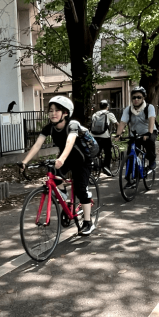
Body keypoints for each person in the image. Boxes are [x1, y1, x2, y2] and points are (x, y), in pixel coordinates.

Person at [20, 96, 95, 235]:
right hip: (65, 158)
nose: (53, 113)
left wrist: (61, 158)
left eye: (57, 110)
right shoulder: (49, 127)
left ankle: (88, 222)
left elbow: (70, 141)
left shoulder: (72, 125)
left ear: (65, 112)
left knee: (80, 189)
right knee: (53, 177)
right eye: (51, 110)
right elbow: (37, 145)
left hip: (82, 160)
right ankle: (65, 199)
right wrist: (25, 162)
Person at [115, 86, 157, 173]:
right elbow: (122, 123)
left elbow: (151, 120)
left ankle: (152, 161)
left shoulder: (149, 107)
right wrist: (118, 134)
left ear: (143, 98)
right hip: (135, 134)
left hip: (148, 132)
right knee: (130, 154)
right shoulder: (128, 109)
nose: (136, 99)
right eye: (134, 97)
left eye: (139, 97)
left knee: (150, 142)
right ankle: (130, 178)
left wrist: (149, 133)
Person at [90, 99, 118, 176]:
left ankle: (95, 167)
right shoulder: (109, 114)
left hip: (94, 135)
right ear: (107, 106)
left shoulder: (95, 114)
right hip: (104, 136)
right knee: (108, 152)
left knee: (96, 152)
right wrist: (121, 131)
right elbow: (116, 124)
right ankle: (106, 167)